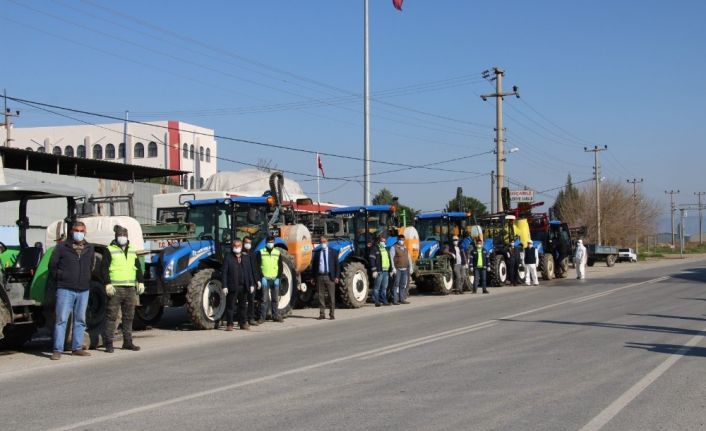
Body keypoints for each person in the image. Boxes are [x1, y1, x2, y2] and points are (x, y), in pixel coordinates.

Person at [49, 221, 95, 360]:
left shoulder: (89, 248)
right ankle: (57, 350)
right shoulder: (62, 247)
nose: (79, 233)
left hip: (83, 289)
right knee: (61, 320)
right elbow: (52, 266)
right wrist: (61, 277)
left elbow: (91, 265)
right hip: (65, 289)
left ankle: (77, 348)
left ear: (85, 232)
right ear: (72, 231)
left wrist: (86, 278)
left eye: (82, 231)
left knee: (80, 320)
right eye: (77, 230)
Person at [103, 225, 144, 352]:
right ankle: (108, 343)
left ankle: (127, 342)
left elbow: (137, 267)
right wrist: (107, 283)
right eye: (120, 235)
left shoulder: (132, 249)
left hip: (130, 288)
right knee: (112, 316)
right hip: (115, 288)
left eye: (124, 235)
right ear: (116, 237)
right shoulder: (109, 250)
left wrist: (141, 281)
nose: (122, 238)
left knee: (129, 316)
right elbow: (104, 268)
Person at [222, 239, 254, 331]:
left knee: (243, 306)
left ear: (241, 246)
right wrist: (224, 286)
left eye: (238, 246)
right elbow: (224, 272)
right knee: (231, 306)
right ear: (232, 247)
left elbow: (249, 272)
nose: (237, 248)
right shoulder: (228, 257)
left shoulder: (245, 257)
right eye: (235, 246)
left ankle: (243, 323)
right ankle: (230, 324)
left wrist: (251, 284)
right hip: (232, 286)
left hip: (243, 286)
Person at [311, 236, 340, 320]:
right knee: (321, 296)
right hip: (320, 276)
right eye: (321, 242)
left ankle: (332, 314)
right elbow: (314, 266)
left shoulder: (333, 252)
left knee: (331, 296)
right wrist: (313, 277)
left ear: (327, 242)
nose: (322, 243)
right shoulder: (317, 253)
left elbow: (337, 266)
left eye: (324, 241)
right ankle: (322, 314)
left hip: (330, 276)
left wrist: (337, 276)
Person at [256, 236, 283, 323]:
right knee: (264, 299)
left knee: (275, 299)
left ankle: (275, 315)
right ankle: (262, 317)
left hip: (275, 279)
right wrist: (262, 277)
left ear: (274, 242)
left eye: (272, 242)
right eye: (269, 241)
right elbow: (258, 267)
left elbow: (280, 267)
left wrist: (278, 278)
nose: (270, 243)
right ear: (266, 242)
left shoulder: (277, 253)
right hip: (265, 279)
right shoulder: (261, 252)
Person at [389, 234, 413, 305]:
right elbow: (391, 258)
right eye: (400, 239)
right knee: (396, 284)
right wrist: (393, 268)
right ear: (397, 240)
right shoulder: (393, 247)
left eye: (403, 240)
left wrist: (411, 266)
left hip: (405, 269)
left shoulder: (405, 247)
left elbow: (409, 258)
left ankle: (402, 299)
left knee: (403, 284)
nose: (401, 241)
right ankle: (395, 300)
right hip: (398, 269)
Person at [369, 234, 391, 306]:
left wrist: (390, 270)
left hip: (386, 271)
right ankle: (377, 301)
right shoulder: (375, 248)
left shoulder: (386, 248)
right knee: (376, 288)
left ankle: (384, 301)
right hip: (379, 271)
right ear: (379, 240)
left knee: (384, 288)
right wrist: (374, 270)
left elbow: (388, 259)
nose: (384, 240)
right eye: (382, 239)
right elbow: (372, 259)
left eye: (384, 239)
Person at [241, 236, 259, 326]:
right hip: (243, 281)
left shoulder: (252, 254)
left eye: (250, 243)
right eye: (247, 242)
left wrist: (257, 280)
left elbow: (255, 268)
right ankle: (243, 320)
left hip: (252, 281)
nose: (248, 244)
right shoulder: (240, 254)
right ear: (243, 243)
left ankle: (251, 318)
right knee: (243, 301)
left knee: (251, 300)